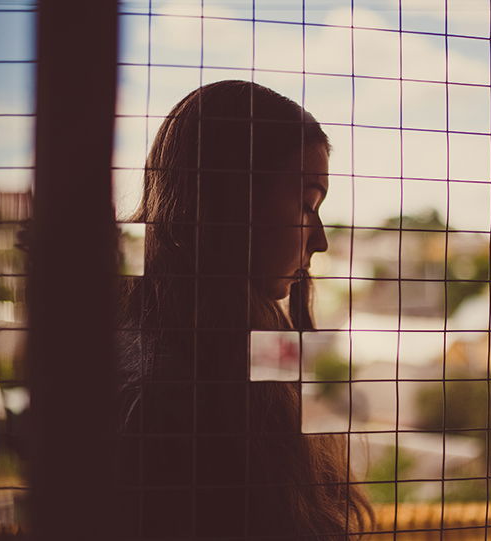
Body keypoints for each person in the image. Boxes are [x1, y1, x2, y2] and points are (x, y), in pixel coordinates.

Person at [117, 80, 374, 539]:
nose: (320, 240)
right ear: (231, 199)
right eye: (307, 205)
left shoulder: (266, 339)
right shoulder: (161, 396)